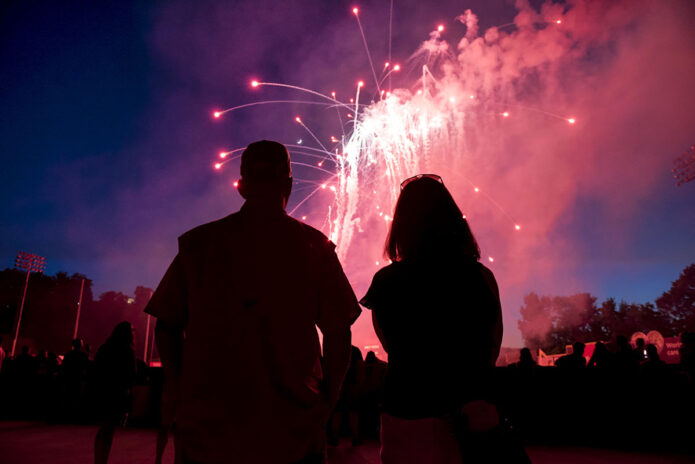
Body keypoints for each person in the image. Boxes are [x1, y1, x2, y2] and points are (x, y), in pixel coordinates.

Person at [146, 140, 360, 463]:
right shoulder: (316, 249)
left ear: (241, 186)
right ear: (289, 183)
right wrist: (327, 402)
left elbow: (167, 326)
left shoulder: (198, 245)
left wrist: (176, 388)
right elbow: (339, 332)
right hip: (291, 433)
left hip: (208, 432)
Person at [360, 174, 503, 463]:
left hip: (406, 407)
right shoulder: (481, 277)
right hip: (471, 411)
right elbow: (492, 347)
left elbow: (391, 348)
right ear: (454, 219)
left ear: (402, 223)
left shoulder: (386, 281)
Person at [93, 321, 136, 464]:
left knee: (103, 429)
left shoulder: (105, 348)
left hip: (103, 392)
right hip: (117, 394)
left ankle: (99, 459)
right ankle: (102, 460)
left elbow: (96, 369)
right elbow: (131, 375)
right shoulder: (127, 351)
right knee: (109, 430)